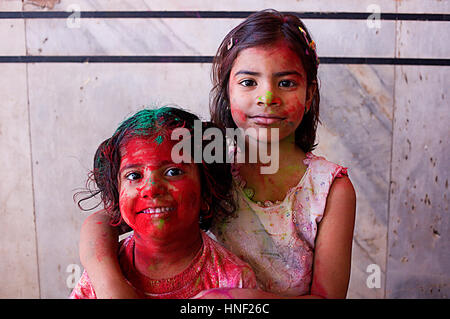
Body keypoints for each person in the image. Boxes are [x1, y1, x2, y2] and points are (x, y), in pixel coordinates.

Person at [78, 9, 356, 299]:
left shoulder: (330, 189)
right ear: (227, 92)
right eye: (249, 82)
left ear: (309, 95)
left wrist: (234, 300)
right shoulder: (209, 159)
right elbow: (104, 222)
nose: (267, 97)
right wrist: (111, 284)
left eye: (286, 83)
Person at [70, 107, 256, 298]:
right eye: (134, 175)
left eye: (173, 172)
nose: (151, 188)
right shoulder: (103, 275)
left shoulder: (233, 280)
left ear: (206, 194)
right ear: (117, 195)